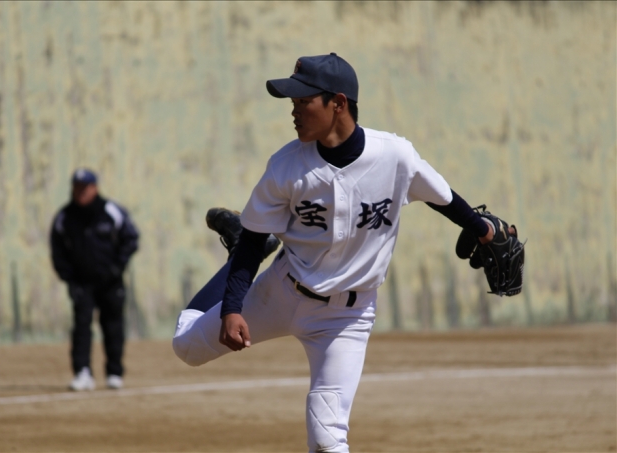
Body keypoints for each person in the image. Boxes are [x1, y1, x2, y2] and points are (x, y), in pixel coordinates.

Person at [172, 53, 502, 452]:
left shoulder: (395, 156)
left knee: (327, 437)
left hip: (345, 318)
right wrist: (232, 308)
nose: (294, 112)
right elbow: (254, 243)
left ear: (338, 103)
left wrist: (485, 231)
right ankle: (231, 250)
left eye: (303, 101)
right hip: (282, 291)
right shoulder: (285, 167)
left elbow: (445, 200)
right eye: (292, 102)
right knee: (186, 348)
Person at [50, 168, 139, 391]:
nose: (81, 191)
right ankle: (83, 373)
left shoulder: (111, 211)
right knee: (81, 327)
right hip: (82, 283)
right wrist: (68, 277)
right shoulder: (65, 217)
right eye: (77, 187)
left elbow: (131, 238)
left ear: (95, 188)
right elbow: (57, 249)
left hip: (111, 281)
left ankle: (114, 372)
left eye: (85, 187)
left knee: (113, 326)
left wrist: (117, 267)